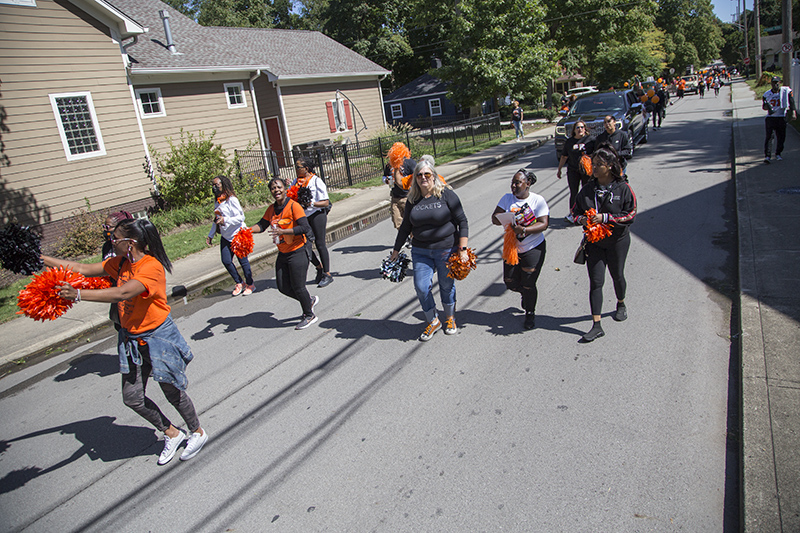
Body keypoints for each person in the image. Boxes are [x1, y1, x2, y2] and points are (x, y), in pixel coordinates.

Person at [42, 218, 209, 465]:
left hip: (157, 337)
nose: (111, 240)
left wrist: (78, 295)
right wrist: (41, 260)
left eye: (115, 238)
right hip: (131, 340)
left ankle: (197, 432)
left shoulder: (150, 267)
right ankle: (172, 433)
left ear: (130, 243)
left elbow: (122, 293)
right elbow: (80, 268)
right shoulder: (119, 263)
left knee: (171, 391)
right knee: (132, 397)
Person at [389, 155, 469, 341]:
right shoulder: (413, 199)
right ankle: (433, 320)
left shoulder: (447, 194)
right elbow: (406, 227)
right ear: (415, 178)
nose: (423, 177)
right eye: (419, 175)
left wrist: (462, 249)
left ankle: (449, 318)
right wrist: (395, 250)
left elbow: (462, 221)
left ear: (433, 175)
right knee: (421, 287)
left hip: (446, 249)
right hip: (420, 251)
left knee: (446, 286)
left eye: (427, 174)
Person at [570, 144, 637, 342]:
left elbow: (631, 214)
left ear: (609, 166)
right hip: (594, 243)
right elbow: (574, 212)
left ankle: (621, 303)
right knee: (596, 282)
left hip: (618, 242)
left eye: (599, 164)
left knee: (617, 275)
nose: (595, 168)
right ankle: (596, 325)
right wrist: (581, 220)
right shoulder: (588, 189)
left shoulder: (623, 188)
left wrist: (606, 218)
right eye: (594, 164)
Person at [250, 177, 319, 330]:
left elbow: (305, 228)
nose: (277, 191)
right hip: (283, 252)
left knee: (298, 286)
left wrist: (284, 231)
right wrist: (248, 230)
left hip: (298, 251)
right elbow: (262, 225)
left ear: (285, 189)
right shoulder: (271, 209)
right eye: (273, 188)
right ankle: (309, 300)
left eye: (279, 187)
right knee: (283, 287)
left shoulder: (294, 206)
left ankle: (309, 315)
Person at [491, 169, 549, 330]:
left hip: (533, 247)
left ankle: (530, 312)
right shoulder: (507, 198)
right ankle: (524, 292)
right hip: (512, 248)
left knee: (529, 283)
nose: (513, 186)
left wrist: (524, 230)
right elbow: (494, 218)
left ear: (528, 184)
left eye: (517, 183)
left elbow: (544, 223)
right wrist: (504, 218)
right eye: (512, 183)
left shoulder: (538, 200)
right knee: (509, 281)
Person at [206, 175, 255, 296]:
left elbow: (241, 217)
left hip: (237, 234)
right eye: (213, 185)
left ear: (223, 185)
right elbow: (217, 219)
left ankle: (250, 284)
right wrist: (211, 235)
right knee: (226, 261)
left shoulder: (231, 199)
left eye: (216, 185)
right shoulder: (217, 201)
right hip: (225, 236)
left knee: (243, 261)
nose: (214, 188)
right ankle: (239, 282)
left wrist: (225, 220)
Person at [292, 157, 333, 287]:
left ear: (307, 169)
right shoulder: (295, 182)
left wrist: (311, 203)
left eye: (298, 167)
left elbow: (325, 202)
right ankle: (319, 267)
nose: (296, 169)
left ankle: (327, 274)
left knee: (320, 243)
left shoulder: (316, 181)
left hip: (316, 215)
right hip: (302, 217)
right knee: (305, 246)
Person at [556, 120, 590, 222]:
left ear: (585, 129)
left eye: (582, 127)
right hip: (573, 170)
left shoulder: (590, 140)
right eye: (578, 128)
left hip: (586, 171)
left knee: (586, 192)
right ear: (574, 130)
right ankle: (573, 214)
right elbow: (564, 156)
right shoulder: (570, 142)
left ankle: (587, 213)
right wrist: (559, 169)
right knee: (574, 192)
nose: (580, 129)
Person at [762, 76, 797, 164]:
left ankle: (778, 153)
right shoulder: (767, 94)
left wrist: (793, 112)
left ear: (779, 83)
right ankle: (767, 156)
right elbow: (764, 107)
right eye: (773, 83)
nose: (775, 84)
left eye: (777, 82)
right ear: (771, 84)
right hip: (771, 118)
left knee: (781, 137)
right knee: (769, 137)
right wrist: (767, 107)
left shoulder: (785, 92)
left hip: (781, 117)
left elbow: (791, 101)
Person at [383, 149, 416, 230]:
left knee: (411, 220)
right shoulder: (389, 165)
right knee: (396, 221)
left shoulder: (409, 162)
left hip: (407, 196)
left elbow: (416, 175)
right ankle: (405, 236)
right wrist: (386, 180)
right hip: (395, 197)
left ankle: (412, 237)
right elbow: (384, 176)